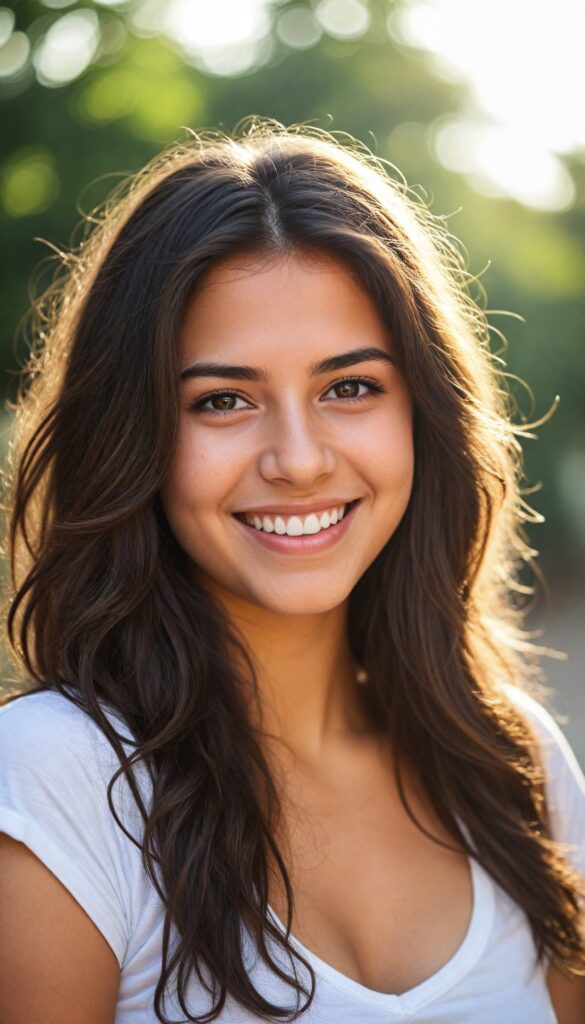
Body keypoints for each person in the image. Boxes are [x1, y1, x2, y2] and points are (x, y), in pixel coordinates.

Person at [0, 120, 583, 1024]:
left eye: (348, 387)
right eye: (223, 400)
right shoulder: (53, 784)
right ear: (133, 437)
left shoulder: (515, 765)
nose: (299, 459)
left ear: (421, 415)